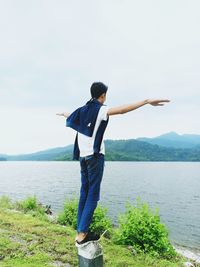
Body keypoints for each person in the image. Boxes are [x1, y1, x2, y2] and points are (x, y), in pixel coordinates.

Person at [56, 82, 170, 244]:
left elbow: (70, 114)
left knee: (84, 194)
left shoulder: (82, 110)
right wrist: (145, 101)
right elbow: (122, 110)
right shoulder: (100, 109)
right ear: (102, 95)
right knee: (92, 196)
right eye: (105, 95)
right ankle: (82, 234)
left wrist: (62, 113)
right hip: (95, 158)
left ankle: (80, 231)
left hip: (82, 158)